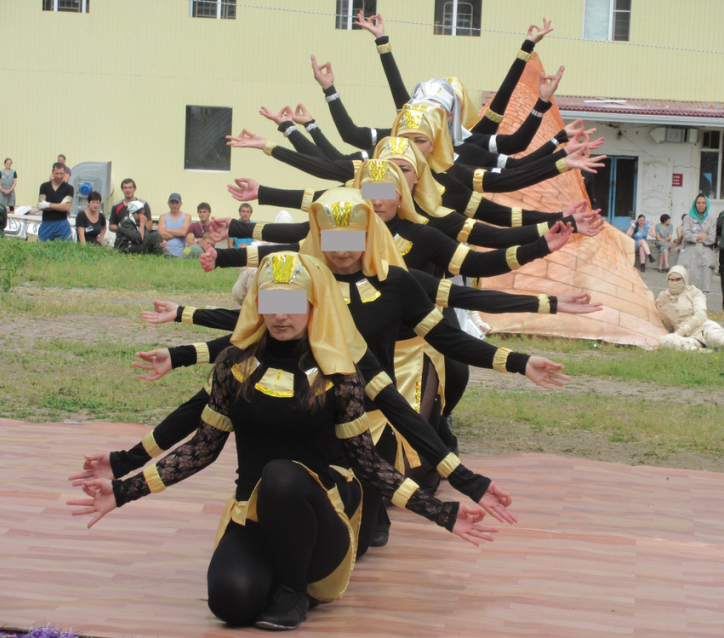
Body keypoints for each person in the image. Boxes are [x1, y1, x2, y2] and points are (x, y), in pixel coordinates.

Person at [68, 251, 500, 630]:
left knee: (280, 476)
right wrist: (123, 491)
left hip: (322, 521)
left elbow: (369, 465)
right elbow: (202, 447)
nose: (281, 315)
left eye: (293, 304)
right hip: (253, 514)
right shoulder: (233, 366)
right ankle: (271, 573)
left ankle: (296, 589)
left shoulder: (339, 373)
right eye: (271, 302)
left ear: (314, 307)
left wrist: (442, 512)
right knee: (230, 604)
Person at [656, 266, 724, 355]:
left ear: (684, 279)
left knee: (715, 337)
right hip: (688, 338)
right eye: (671, 280)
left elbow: (700, 315)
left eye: (678, 279)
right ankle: (709, 353)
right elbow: (662, 322)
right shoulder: (663, 297)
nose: (674, 283)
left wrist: (681, 332)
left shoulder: (694, 292)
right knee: (665, 341)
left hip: (703, 328)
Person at [678, 194, 716, 292]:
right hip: (690, 255)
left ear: (707, 205)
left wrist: (695, 237)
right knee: (688, 287)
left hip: (706, 255)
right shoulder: (688, 218)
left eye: (703, 203)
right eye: (698, 202)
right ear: (695, 204)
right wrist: (703, 235)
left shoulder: (712, 220)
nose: (701, 205)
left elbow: (712, 238)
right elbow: (686, 235)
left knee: (703, 289)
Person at [37, 163, 75, 241]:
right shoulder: (44, 186)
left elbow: (67, 207)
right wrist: (60, 205)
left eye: (61, 173)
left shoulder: (69, 188)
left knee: (66, 249)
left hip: (62, 223)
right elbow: (41, 205)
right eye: (56, 173)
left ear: (65, 173)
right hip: (46, 223)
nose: (59, 176)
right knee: (41, 248)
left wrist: (47, 204)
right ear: (52, 172)